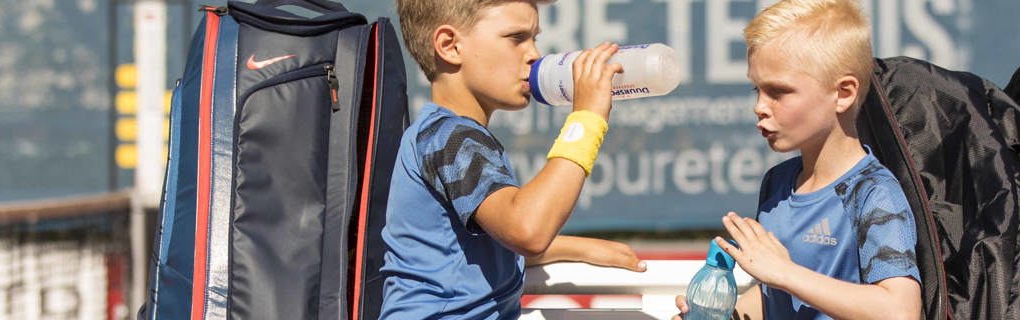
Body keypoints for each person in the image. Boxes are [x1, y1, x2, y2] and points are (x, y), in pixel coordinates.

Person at [379, 0, 643, 318]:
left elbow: (480, 253)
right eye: (516, 38)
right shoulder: (451, 139)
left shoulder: (452, 135)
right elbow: (527, 230)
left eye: (534, 38)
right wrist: (586, 118)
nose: (533, 54)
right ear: (450, 46)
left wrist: (579, 248)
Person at [674, 0, 921, 319]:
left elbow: (900, 311)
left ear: (843, 94)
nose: (760, 106)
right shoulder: (776, 183)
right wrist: (722, 314)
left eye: (778, 91)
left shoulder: (874, 193)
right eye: (756, 90)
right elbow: (773, 298)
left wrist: (785, 273)